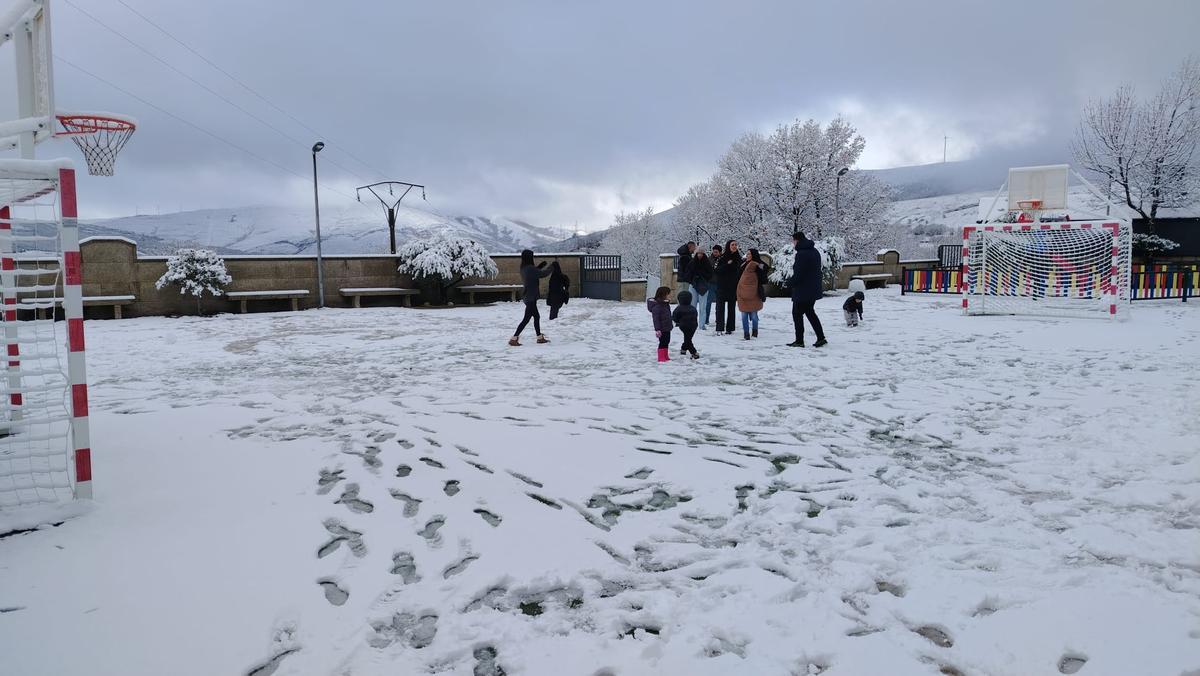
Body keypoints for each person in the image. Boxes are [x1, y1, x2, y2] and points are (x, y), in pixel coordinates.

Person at [788, 232, 827, 348]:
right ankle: (821, 337)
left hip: (803, 291)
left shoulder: (801, 254)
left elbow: (799, 273)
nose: (792, 243)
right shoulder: (814, 251)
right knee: (810, 313)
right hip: (813, 289)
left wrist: (789, 282)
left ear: (797, 240)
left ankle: (799, 341)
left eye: (793, 241)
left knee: (797, 314)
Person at [509, 249, 552, 346]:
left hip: (528, 296)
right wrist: (552, 267)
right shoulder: (530, 268)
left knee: (536, 316)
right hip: (531, 297)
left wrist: (540, 266)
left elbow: (534, 273)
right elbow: (542, 274)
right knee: (526, 319)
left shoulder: (524, 268)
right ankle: (514, 338)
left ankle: (539, 337)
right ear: (529, 257)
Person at [736, 248, 770, 340]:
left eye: (749, 254)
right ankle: (746, 333)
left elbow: (766, 269)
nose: (747, 256)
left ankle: (755, 331)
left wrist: (758, 265)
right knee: (744, 314)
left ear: (753, 255)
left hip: (755, 292)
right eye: (746, 254)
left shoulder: (758, 264)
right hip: (742, 291)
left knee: (754, 314)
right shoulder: (743, 264)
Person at [714, 240, 743, 334]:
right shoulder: (722, 258)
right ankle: (719, 328)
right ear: (728, 246)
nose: (734, 246)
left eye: (735, 245)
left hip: (733, 286)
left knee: (731, 308)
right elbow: (717, 270)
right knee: (720, 308)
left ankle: (730, 328)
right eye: (732, 245)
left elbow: (740, 271)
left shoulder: (739, 258)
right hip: (722, 286)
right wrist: (727, 264)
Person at [647, 286, 674, 363]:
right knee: (662, 342)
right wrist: (657, 329)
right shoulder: (657, 306)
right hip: (662, 328)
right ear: (663, 294)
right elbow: (656, 319)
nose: (670, 295)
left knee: (667, 341)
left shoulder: (665, 304)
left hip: (667, 327)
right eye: (668, 294)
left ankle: (665, 355)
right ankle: (661, 356)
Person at [689, 251, 714, 330]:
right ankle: (692, 323)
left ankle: (702, 325)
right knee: (692, 306)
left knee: (703, 306)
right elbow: (688, 273)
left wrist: (703, 278)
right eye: (698, 253)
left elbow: (710, 274)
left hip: (703, 286)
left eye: (701, 253)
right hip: (693, 285)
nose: (700, 255)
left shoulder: (707, 263)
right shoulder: (692, 263)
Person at [672, 290, 700, 359]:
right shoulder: (693, 308)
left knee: (688, 339)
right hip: (694, 326)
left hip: (683, 326)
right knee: (688, 338)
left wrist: (678, 322)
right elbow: (696, 315)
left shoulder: (678, 308)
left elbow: (674, 317)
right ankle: (683, 349)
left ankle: (693, 352)